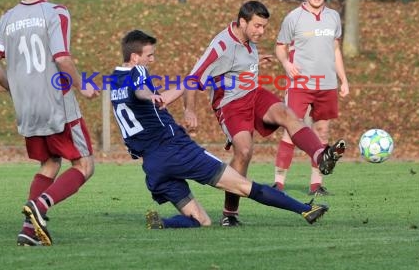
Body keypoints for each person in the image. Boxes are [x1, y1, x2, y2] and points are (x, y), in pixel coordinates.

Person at [109, 29, 330, 229]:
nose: (152, 59)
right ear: (135, 57)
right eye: (149, 55)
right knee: (244, 186)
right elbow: (140, 92)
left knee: (201, 221)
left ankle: (162, 224)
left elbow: (140, 102)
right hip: (176, 150)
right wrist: (151, 95)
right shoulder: (138, 72)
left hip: (152, 164)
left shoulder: (114, 80)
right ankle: (304, 209)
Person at [183, 0, 346, 226]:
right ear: (243, 22)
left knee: (287, 114)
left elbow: (235, 64)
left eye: (264, 27)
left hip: (254, 93)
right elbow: (192, 78)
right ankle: (230, 214)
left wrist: (255, 61)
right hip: (231, 105)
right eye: (257, 26)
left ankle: (320, 155)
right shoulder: (220, 45)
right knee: (245, 151)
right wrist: (189, 110)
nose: (261, 32)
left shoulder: (247, 38)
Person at [0, 0, 99, 246]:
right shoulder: (55, 12)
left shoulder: (7, 18)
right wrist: (83, 85)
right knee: (84, 166)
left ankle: (29, 230)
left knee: (49, 163)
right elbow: (61, 57)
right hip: (56, 101)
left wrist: (15, 90)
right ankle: (40, 206)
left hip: (27, 107)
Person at [272, 0, 349, 196]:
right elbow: (280, 47)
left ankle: (316, 185)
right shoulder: (293, 18)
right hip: (301, 84)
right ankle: (278, 183)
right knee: (291, 130)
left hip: (326, 85)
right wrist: (286, 63)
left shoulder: (333, 17)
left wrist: (343, 79)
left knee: (322, 132)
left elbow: (335, 50)